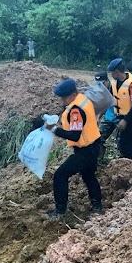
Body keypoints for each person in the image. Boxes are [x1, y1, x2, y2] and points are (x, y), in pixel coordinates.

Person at [43, 78, 103, 218]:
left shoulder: (76, 110)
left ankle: (60, 210)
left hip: (85, 150)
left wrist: (54, 130)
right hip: (93, 145)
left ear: (73, 95)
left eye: (64, 98)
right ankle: (97, 205)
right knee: (89, 176)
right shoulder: (82, 100)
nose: (62, 100)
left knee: (60, 175)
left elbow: (75, 136)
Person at [108, 58, 132, 160]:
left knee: (124, 140)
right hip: (119, 115)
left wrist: (125, 120)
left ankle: (129, 159)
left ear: (116, 72)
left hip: (130, 116)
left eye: (111, 73)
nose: (111, 75)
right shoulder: (114, 83)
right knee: (127, 138)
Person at [95, 71, 118, 159]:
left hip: (120, 118)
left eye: (102, 84)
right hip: (109, 118)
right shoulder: (102, 91)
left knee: (121, 142)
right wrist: (98, 117)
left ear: (107, 81)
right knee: (99, 138)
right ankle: (99, 159)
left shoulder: (115, 88)